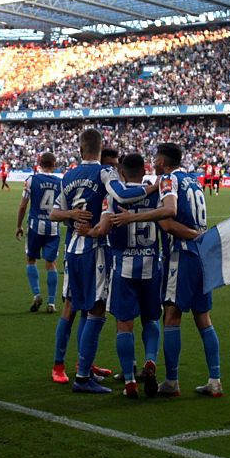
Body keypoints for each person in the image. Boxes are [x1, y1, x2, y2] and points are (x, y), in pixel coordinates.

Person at [49, 129, 147, 392]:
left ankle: (72, 366)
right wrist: (156, 186)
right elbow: (124, 196)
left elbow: (54, 213)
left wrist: (72, 213)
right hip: (95, 247)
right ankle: (82, 376)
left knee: (74, 306)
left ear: (81, 149)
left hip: (72, 248)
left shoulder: (68, 175)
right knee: (96, 308)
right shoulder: (103, 173)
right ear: (100, 148)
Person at [151, 142, 223, 397]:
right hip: (202, 256)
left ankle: (171, 381)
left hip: (181, 256)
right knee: (203, 317)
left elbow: (169, 223)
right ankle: (215, 379)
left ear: (165, 161)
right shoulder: (193, 180)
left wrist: (191, 235)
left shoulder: (169, 180)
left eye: (156, 158)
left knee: (171, 315)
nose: (154, 162)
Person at [92, 152, 165, 399]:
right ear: (144, 171)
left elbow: (103, 229)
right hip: (152, 266)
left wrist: (86, 232)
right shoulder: (155, 194)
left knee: (124, 324)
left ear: (121, 172)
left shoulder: (113, 197)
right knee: (151, 319)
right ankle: (151, 361)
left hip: (123, 267)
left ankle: (131, 381)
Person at [15, 152, 63, 313]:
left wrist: (18, 225)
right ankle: (51, 303)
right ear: (54, 164)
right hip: (53, 227)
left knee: (31, 259)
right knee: (51, 264)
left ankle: (36, 294)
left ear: (39, 163)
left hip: (35, 226)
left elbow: (23, 206)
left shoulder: (31, 180)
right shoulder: (61, 182)